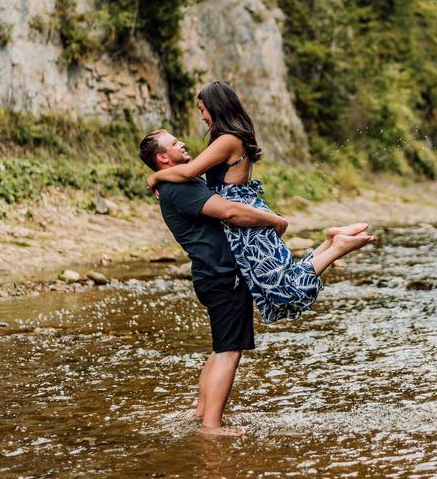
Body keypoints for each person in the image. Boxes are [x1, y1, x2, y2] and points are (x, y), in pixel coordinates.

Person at [146, 80, 377, 323]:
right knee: (284, 279)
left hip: (242, 220)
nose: (202, 115)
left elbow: (189, 171)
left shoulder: (227, 140)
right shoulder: (233, 136)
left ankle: (337, 247)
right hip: (246, 210)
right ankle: (331, 242)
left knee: (285, 293)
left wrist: (155, 177)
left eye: (202, 109)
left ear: (215, 107)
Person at [139, 128, 287, 437]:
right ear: (163, 157)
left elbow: (198, 185)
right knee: (229, 351)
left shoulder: (175, 182)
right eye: (174, 143)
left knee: (220, 346)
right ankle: (212, 427)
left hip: (212, 274)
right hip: (223, 274)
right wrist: (273, 219)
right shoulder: (181, 189)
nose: (182, 143)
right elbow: (230, 212)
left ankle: (201, 412)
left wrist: (153, 178)